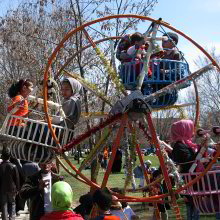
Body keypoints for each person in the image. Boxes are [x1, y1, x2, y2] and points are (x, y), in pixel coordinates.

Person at [170, 119, 200, 220]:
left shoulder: (185, 144)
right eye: (190, 129)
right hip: (190, 182)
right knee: (194, 207)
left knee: (193, 208)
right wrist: (201, 151)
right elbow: (189, 163)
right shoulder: (179, 146)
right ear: (183, 130)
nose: (192, 131)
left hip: (192, 181)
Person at [0, 147, 20, 220]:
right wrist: (18, 189)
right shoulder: (13, 166)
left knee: (4, 205)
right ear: (9, 156)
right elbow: (17, 179)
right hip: (12, 189)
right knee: (12, 204)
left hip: (2, 189)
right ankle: (12, 218)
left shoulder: (0, 166)